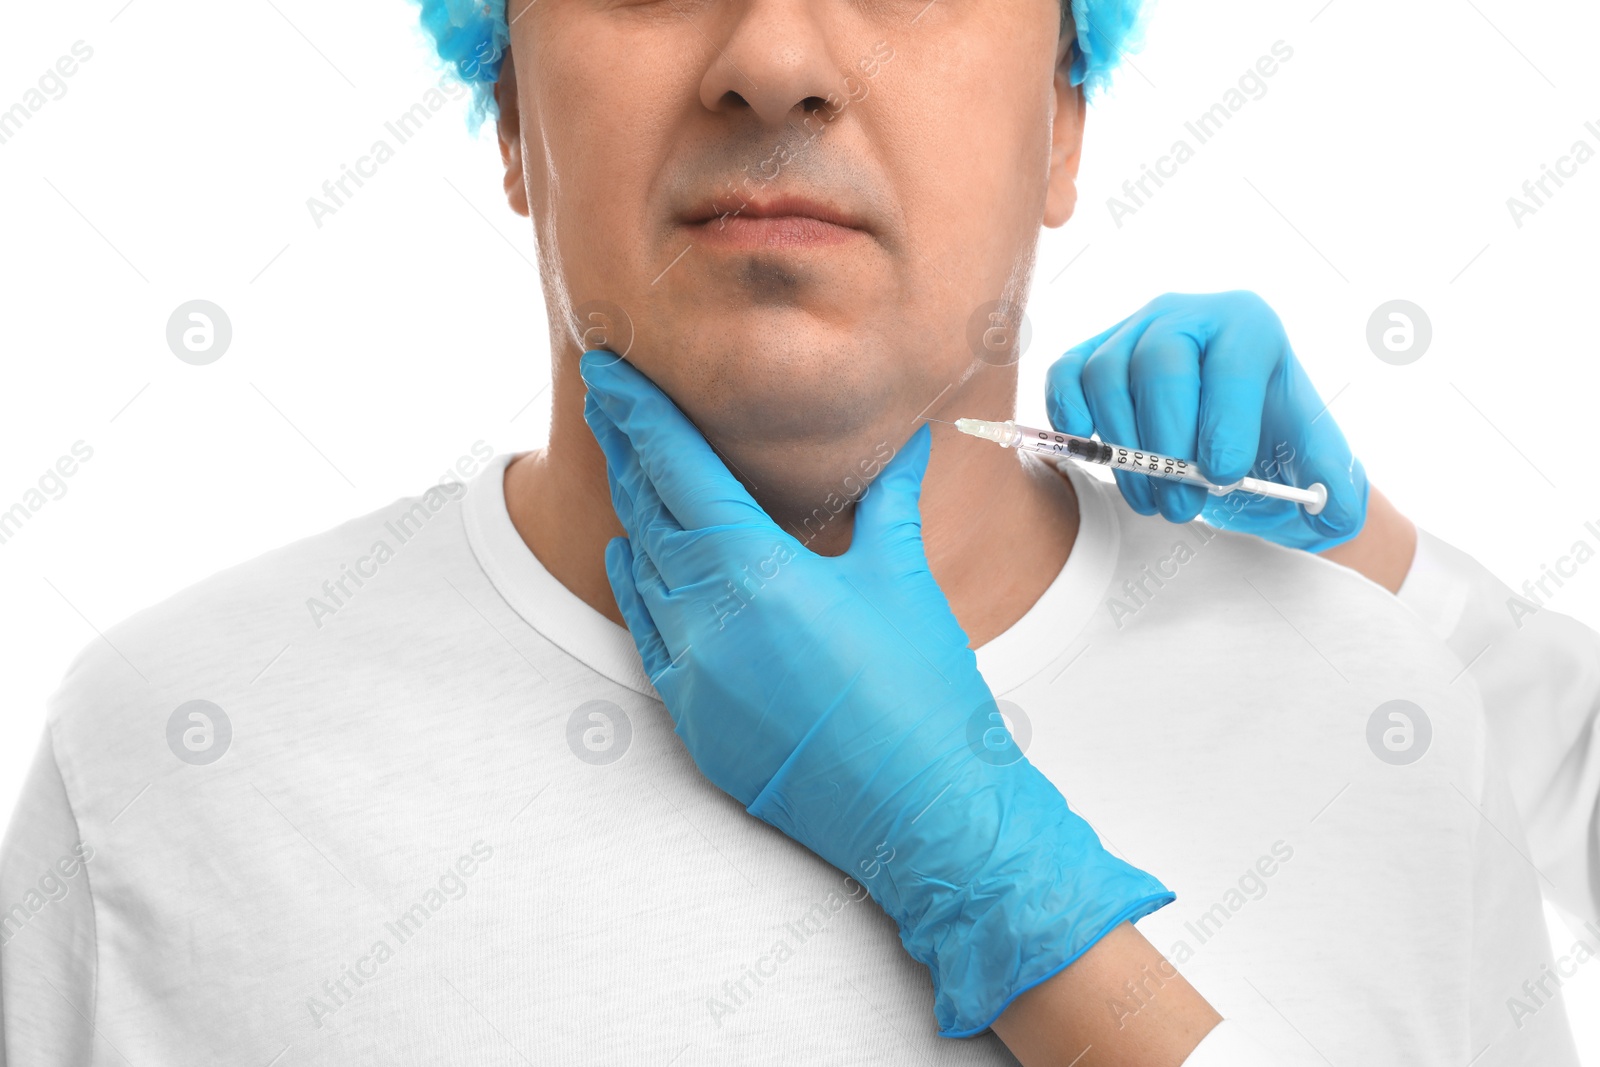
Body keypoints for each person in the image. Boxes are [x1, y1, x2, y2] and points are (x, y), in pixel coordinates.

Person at [3, 2, 1597, 1065]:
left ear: (1064, 118)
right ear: (504, 107)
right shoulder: (177, 759)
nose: (771, 55)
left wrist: (1005, 884)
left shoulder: (1373, 728)